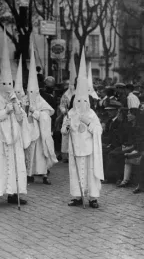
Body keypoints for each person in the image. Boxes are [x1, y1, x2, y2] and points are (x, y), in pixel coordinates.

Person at [0, 29, 28, 207]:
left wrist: (15, 105)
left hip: (14, 137)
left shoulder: (14, 98)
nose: (8, 87)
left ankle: (13, 193)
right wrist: (6, 111)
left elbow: (21, 118)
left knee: (15, 165)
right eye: (5, 84)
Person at [61, 48, 104, 209]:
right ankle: (78, 197)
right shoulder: (70, 113)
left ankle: (93, 198)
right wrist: (66, 126)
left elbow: (98, 130)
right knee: (75, 173)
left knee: (90, 174)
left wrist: (88, 122)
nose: (80, 105)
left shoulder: (92, 114)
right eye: (78, 101)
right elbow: (63, 132)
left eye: (83, 101)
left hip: (88, 149)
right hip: (75, 149)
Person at [25, 42, 58, 185]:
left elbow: (46, 117)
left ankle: (44, 175)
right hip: (29, 133)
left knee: (42, 155)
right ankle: (29, 174)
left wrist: (35, 112)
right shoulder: (24, 100)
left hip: (41, 134)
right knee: (30, 155)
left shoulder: (41, 101)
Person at [59, 56, 77, 163]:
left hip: (77, 117)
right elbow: (61, 105)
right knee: (65, 136)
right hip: (67, 116)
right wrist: (64, 111)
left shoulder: (80, 93)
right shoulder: (65, 94)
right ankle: (66, 155)